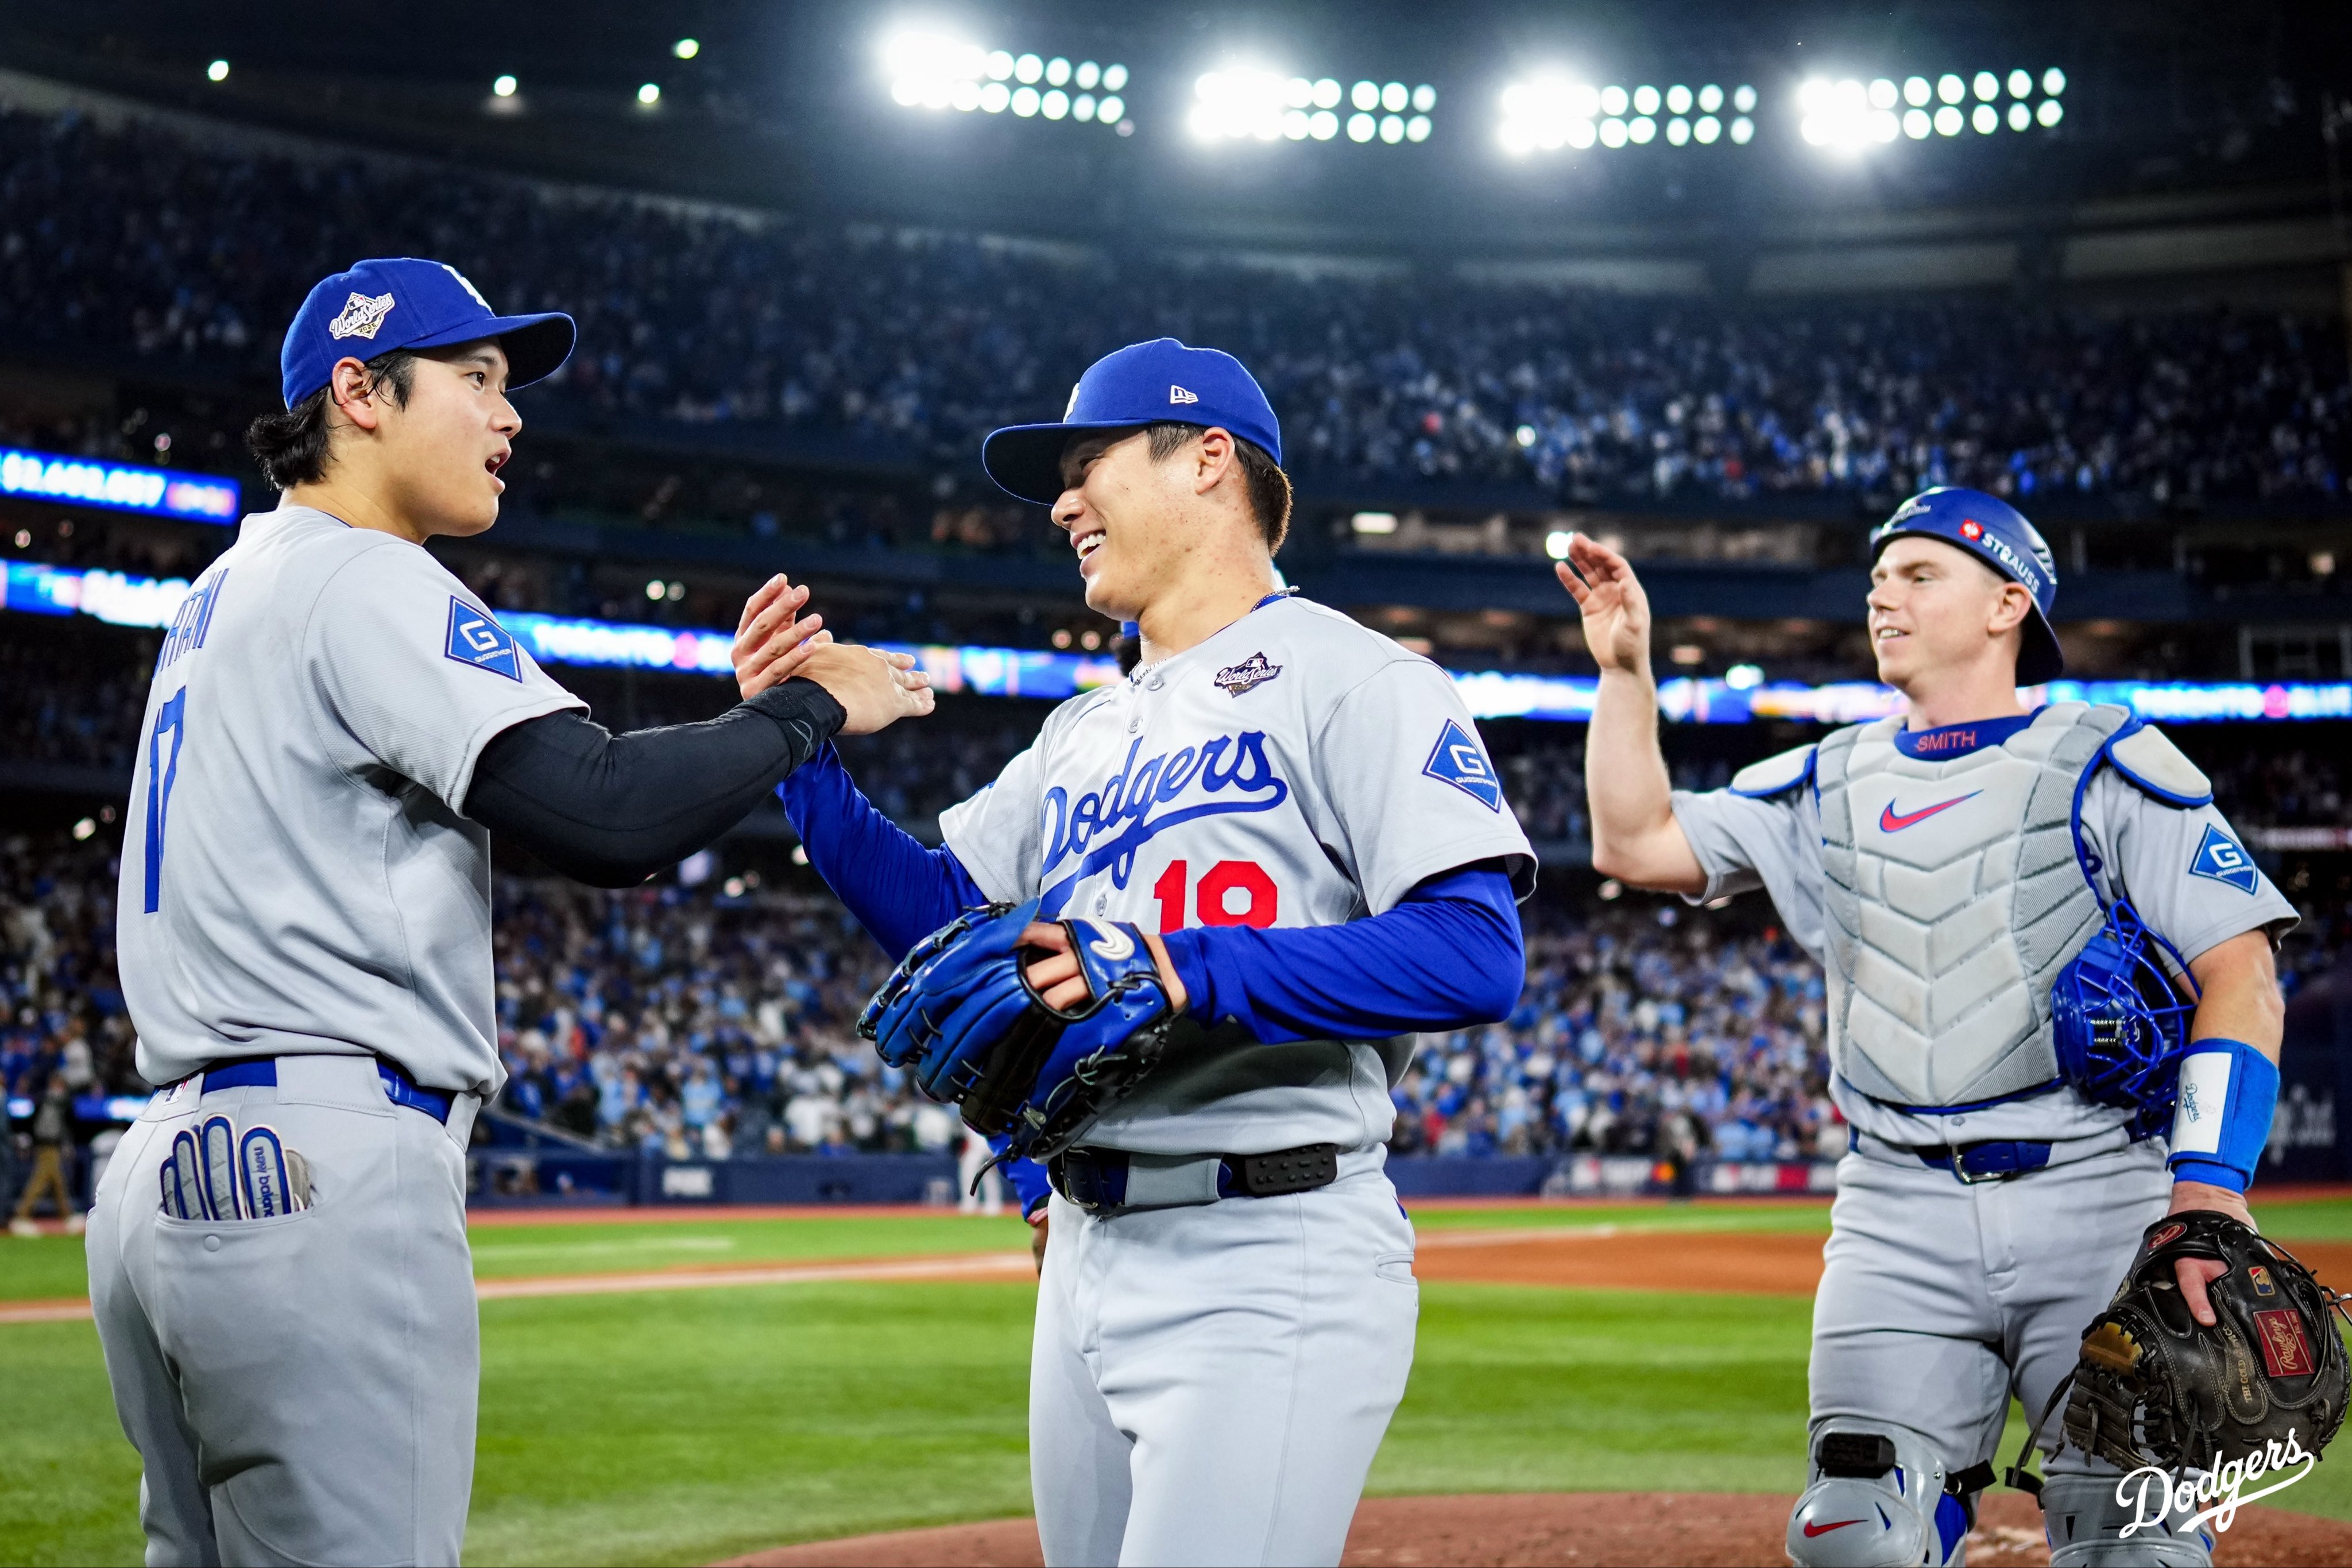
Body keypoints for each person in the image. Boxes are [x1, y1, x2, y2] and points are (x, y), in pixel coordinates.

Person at [86, 255, 931, 1568]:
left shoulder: (225, 591)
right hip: (318, 1168)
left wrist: (735, 732)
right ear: (360, 394)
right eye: (475, 378)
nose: (510, 413)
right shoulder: (363, 576)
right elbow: (603, 816)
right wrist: (809, 709)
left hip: (166, 1175)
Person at [757, 336, 1534, 1566]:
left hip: (1265, 1249)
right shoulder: (1080, 729)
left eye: (1089, 462)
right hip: (1078, 1250)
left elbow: (1474, 953)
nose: (1062, 501)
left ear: (1208, 461)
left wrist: (1192, 965)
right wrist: (797, 750)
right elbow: (950, 921)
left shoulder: (1356, 677)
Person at [1560, 489, 2293, 1568]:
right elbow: (1635, 841)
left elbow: (2244, 972)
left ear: (2007, 604)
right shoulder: (1826, 776)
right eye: (1875, 581)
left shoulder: (2105, 754)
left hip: (2096, 1195)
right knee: (1853, 1536)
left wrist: (2207, 1197)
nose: (1882, 597)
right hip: (1895, 1211)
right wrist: (1626, 673)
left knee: (2130, 1542)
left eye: (1917, 574)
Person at [8, 1071, 78, 1234]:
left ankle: (65, 1213)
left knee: (55, 1180)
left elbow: (31, 1122)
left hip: (43, 1144)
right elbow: (68, 1124)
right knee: (43, 1180)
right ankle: (23, 1213)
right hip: (51, 1145)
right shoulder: (62, 1101)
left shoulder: (42, 1099)